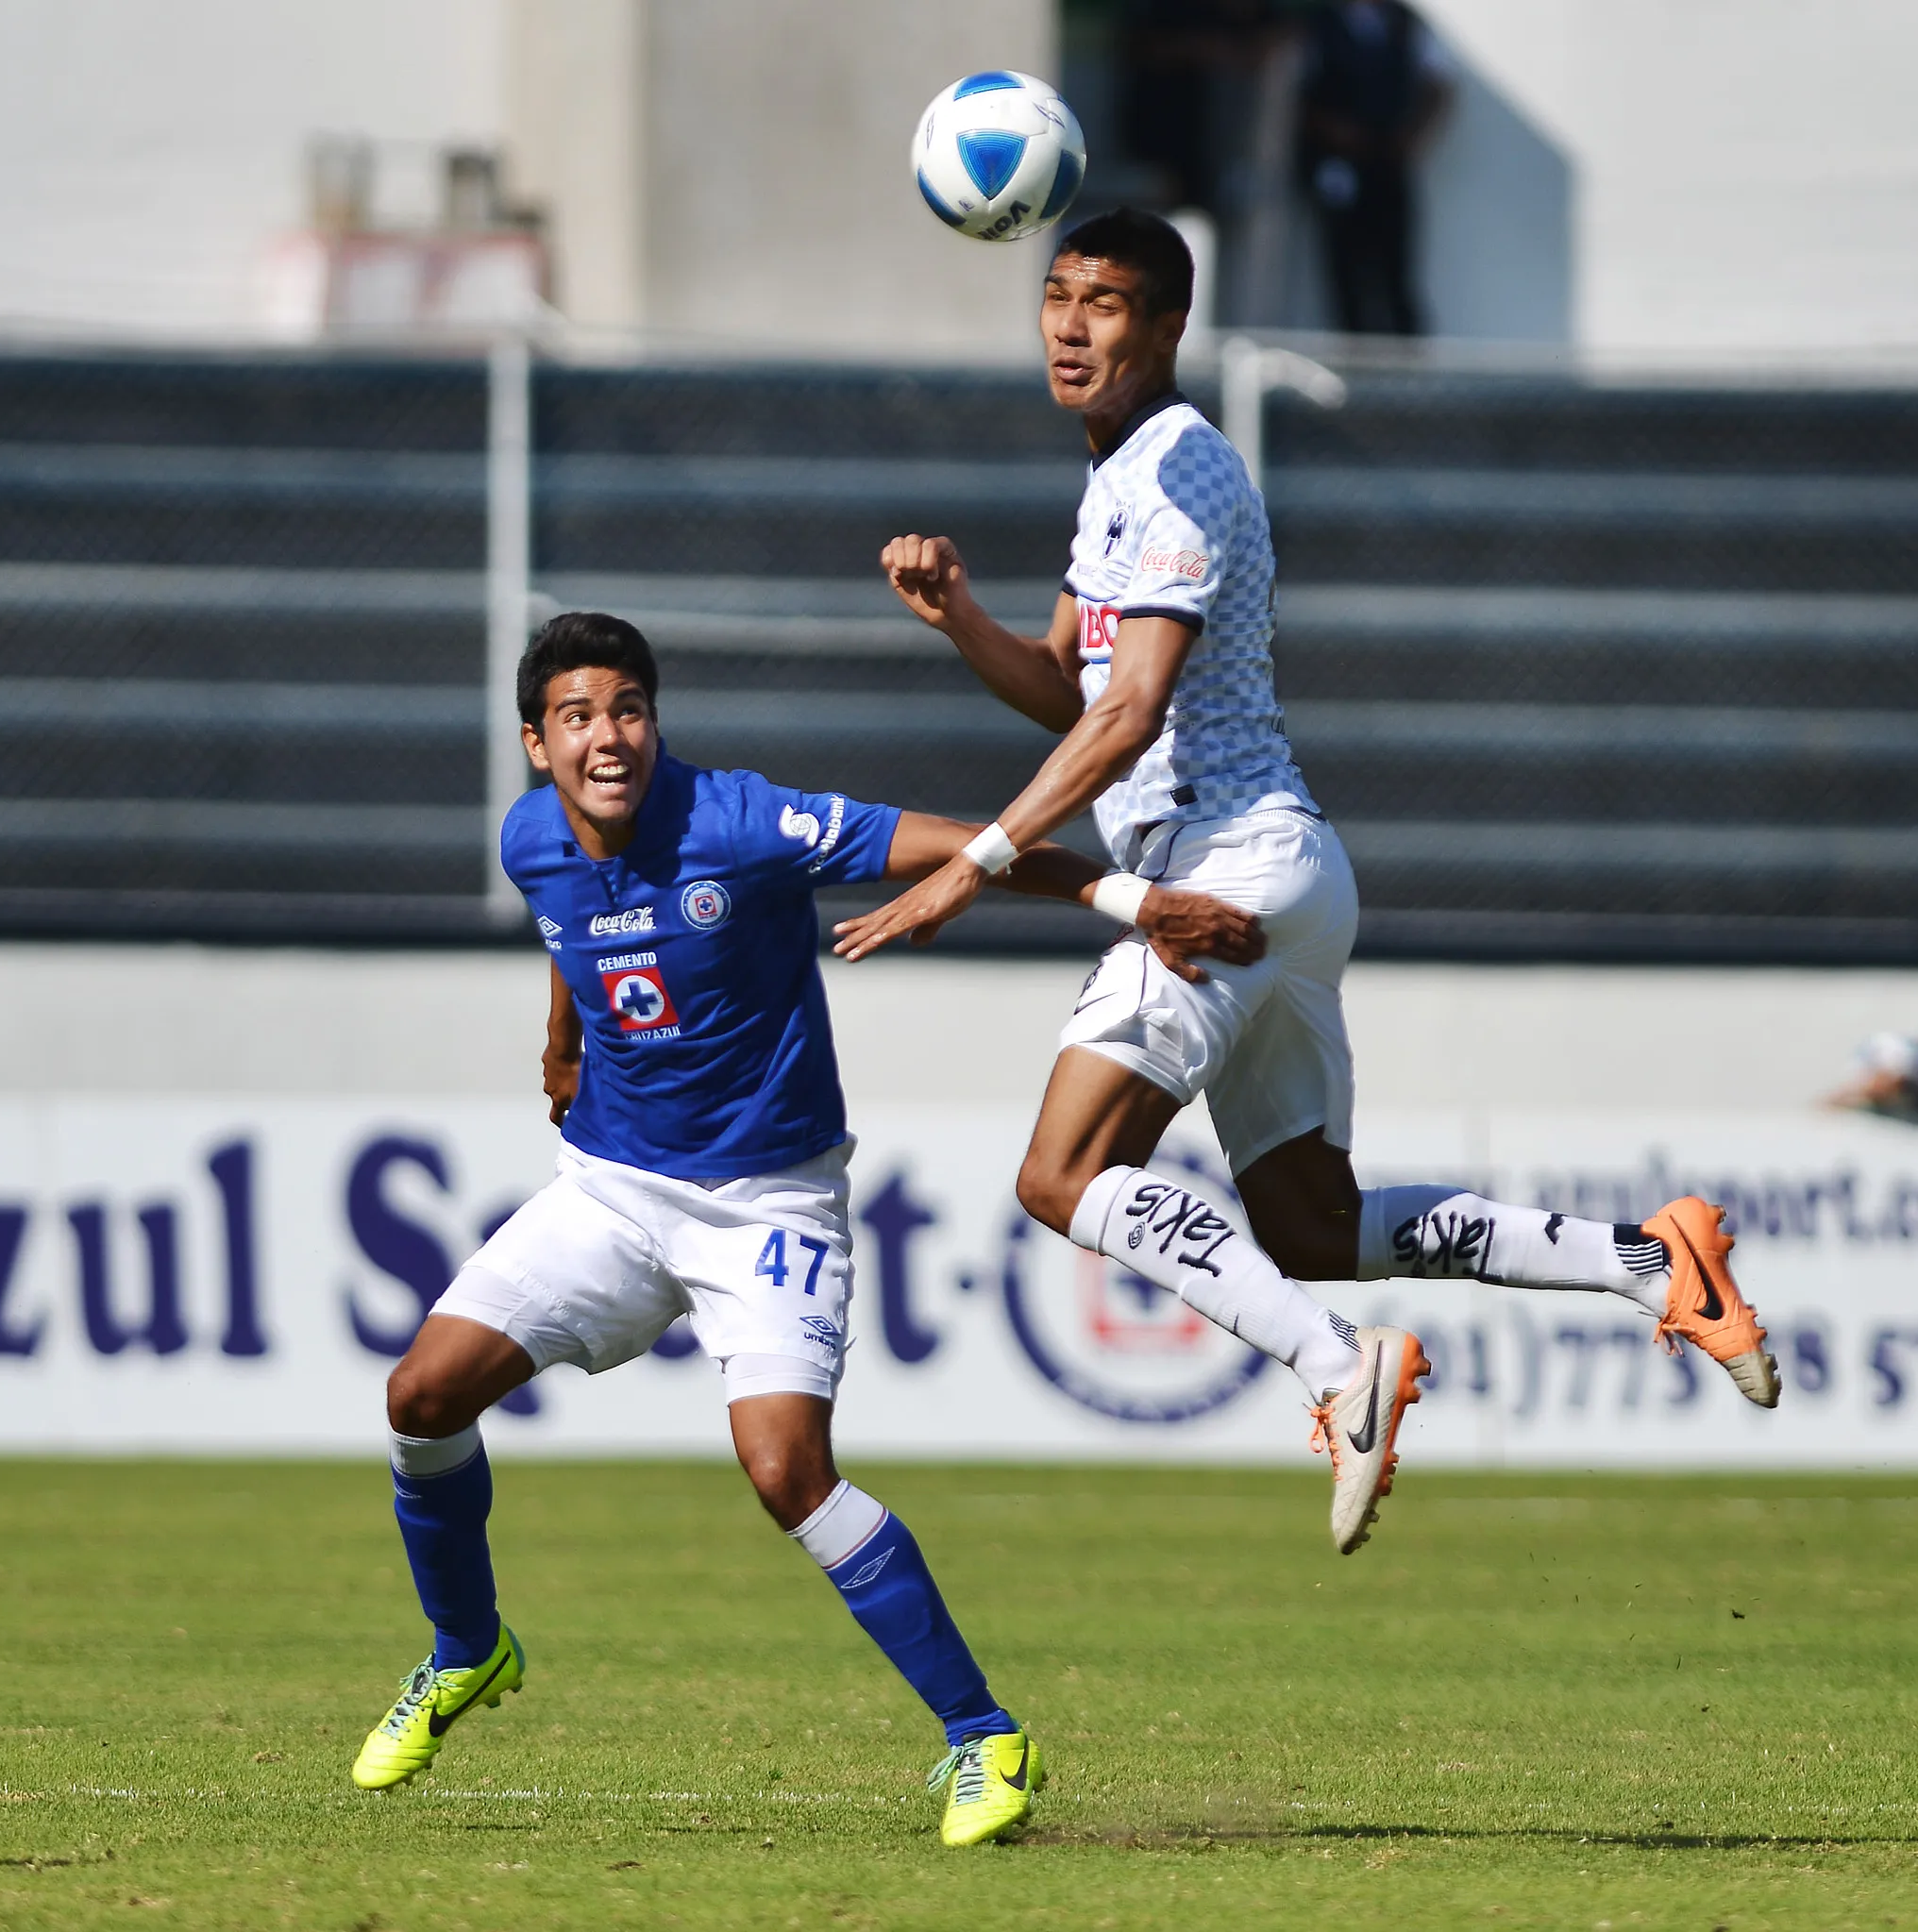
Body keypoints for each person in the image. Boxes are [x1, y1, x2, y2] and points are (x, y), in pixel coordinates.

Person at [843, 209, 1779, 1563]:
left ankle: (1339, 1368)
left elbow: (1129, 714)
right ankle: (1650, 1261)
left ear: (1164, 328)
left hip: (1224, 873)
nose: (1066, 323)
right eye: (1054, 296)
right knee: (1308, 1221)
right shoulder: (1113, 475)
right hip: (1269, 873)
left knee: (1061, 1174)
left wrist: (975, 866)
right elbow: (1071, 692)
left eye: (1101, 303)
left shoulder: (1178, 476)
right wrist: (962, 622)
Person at [350, 611, 1262, 1848]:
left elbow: (977, 848)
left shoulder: (740, 822)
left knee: (784, 1470)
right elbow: (572, 932)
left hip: (767, 1201)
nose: (605, 735)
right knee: (420, 1393)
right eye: (576, 716)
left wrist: (1134, 898)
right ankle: (466, 1647)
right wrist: (562, 1041)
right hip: (613, 1188)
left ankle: (982, 1734)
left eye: (625, 708)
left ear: (651, 720)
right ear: (535, 741)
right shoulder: (529, 838)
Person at [1296, 0, 1455, 337]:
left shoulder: (1405, 22)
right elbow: (1294, 90)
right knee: (1346, 274)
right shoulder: (1318, 24)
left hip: (1389, 165)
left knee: (1396, 272)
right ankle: (1354, 368)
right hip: (1339, 165)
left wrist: (1415, 136)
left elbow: (1439, 82)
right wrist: (1333, 130)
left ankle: (1406, 371)